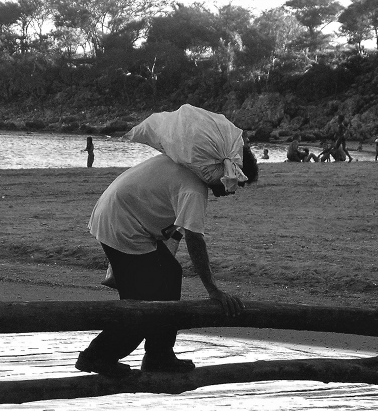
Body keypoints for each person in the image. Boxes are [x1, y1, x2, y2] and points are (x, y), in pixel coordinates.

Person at [75, 146, 259, 377]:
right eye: (235, 183)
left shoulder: (183, 165)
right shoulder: (194, 189)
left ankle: (158, 355)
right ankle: (97, 356)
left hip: (119, 216)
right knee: (144, 303)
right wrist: (213, 289)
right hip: (123, 226)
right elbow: (195, 240)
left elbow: (176, 230)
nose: (232, 191)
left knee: (170, 275)